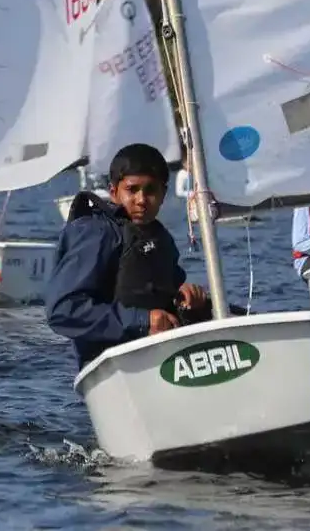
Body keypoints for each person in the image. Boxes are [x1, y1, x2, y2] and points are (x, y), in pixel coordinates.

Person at [46, 143, 211, 369]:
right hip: (112, 367)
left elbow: (164, 298)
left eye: (151, 190)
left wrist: (188, 300)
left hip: (162, 358)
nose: (142, 200)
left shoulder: (160, 238)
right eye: (132, 190)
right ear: (114, 192)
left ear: (163, 194)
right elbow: (62, 311)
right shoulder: (97, 234)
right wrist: (142, 321)